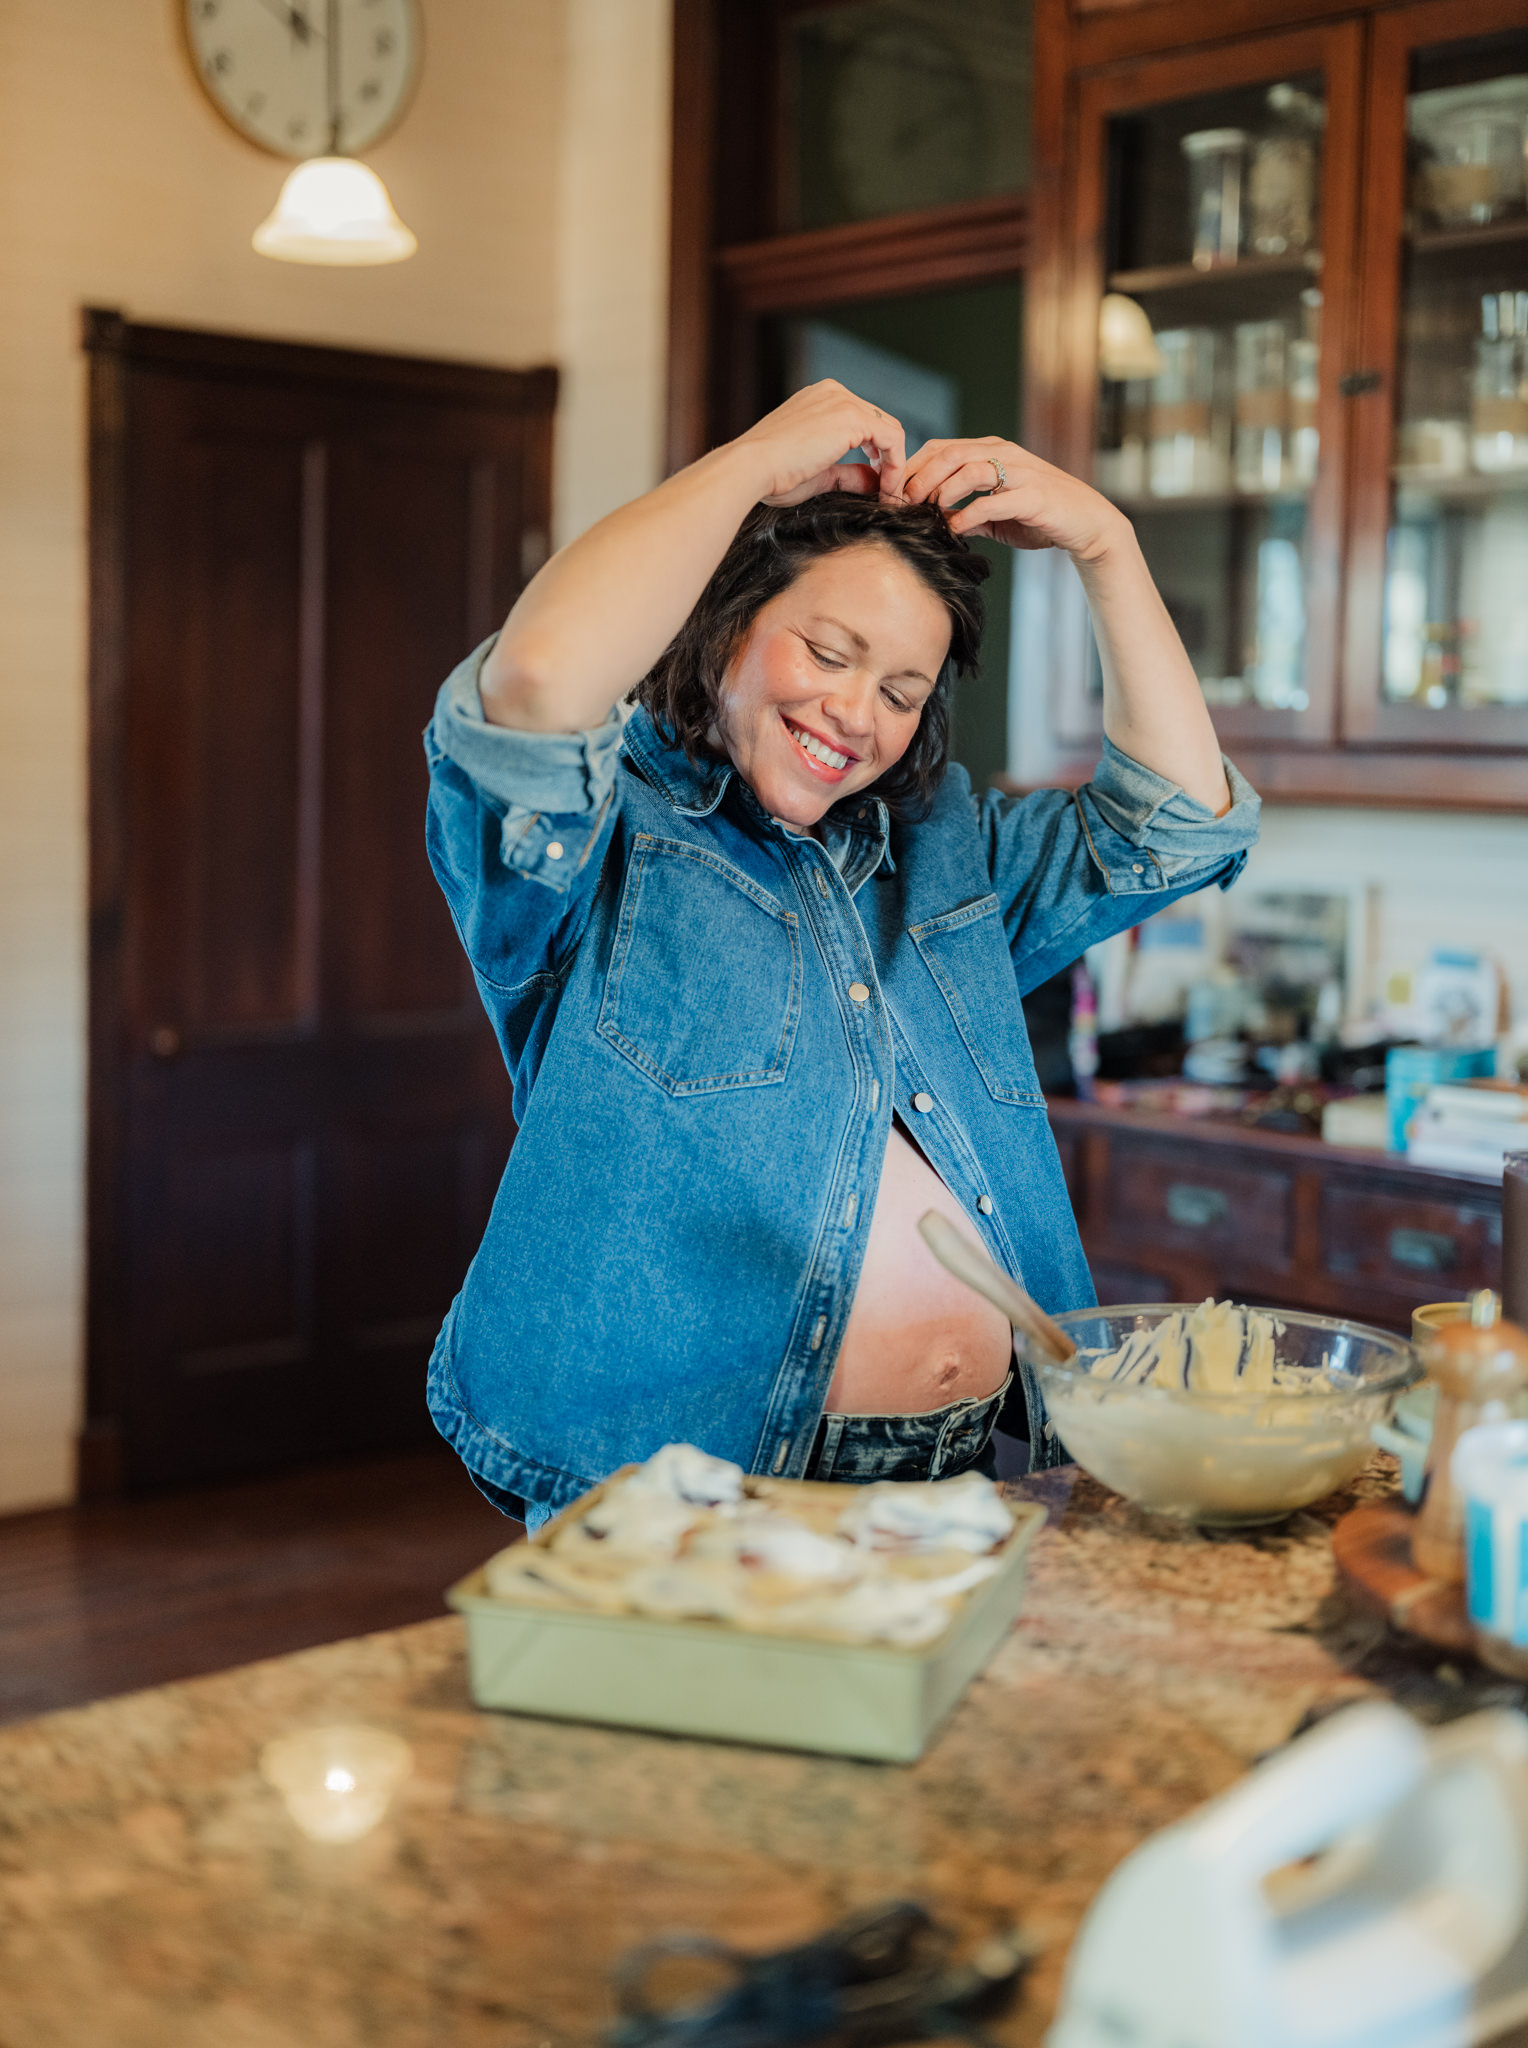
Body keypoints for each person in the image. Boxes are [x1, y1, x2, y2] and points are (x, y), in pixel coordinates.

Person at [423, 381, 1259, 1529]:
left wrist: (1105, 543)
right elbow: (532, 685)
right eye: (827, 650)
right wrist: (751, 465)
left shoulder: (944, 851)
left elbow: (1180, 826)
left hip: (957, 1479)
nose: (857, 711)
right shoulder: (607, 836)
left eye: (902, 690)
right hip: (685, 1496)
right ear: (728, 627)